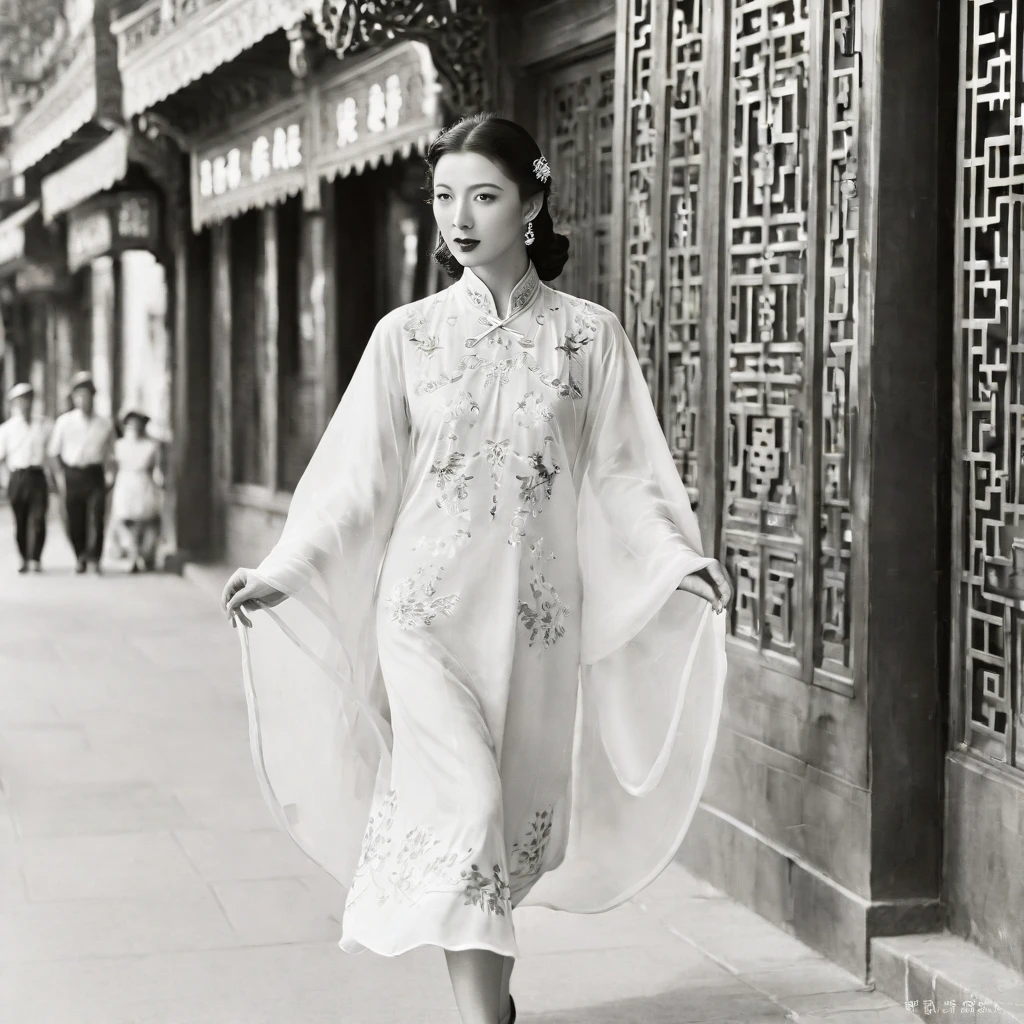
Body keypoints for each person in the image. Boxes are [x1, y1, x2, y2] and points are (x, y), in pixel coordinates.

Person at [222, 114, 733, 1024]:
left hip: (535, 626)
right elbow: (354, 481)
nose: (459, 217)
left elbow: (622, 476)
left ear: (530, 202)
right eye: (444, 197)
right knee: (466, 808)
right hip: (421, 619)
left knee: (499, 831)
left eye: (484, 196)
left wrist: (673, 560)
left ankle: (490, 1001)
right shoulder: (405, 337)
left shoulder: (589, 338)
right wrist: (286, 566)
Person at [48, 371, 115, 574]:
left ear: (94, 397)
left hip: (94, 473)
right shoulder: (64, 422)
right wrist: (60, 477)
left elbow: (111, 454)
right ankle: (80, 555)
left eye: (88, 395)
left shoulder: (105, 423)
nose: (84, 400)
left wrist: (111, 475)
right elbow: (53, 453)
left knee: (97, 516)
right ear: (74, 398)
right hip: (72, 474)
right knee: (75, 518)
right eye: (79, 395)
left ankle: (95, 558)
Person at [0, 382, 52, 573]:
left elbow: (52, 453)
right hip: (17, 476)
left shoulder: (44, 425)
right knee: (20, 520)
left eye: (28, 399)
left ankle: (35, 558)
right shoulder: (7, 429)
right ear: (14, 403)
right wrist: (5, 480)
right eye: (20, 401)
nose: (25, 404)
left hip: (37, 475)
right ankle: (23, 557)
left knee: (38, 518)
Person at [109, 408, 163, 573]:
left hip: (143, 482)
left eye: (138, 425)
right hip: (125, 482)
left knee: (146, 520)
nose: (134, 428)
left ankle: (145, 556)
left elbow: (157, 468)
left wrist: (159, 480)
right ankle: (133, 555)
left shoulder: (150, 446)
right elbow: (112, 466)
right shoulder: (119, 446)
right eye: (130, 425)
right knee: (124, 520)